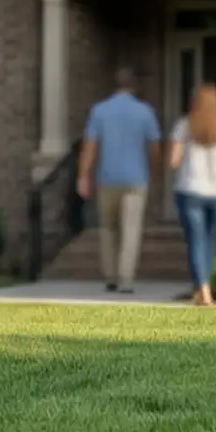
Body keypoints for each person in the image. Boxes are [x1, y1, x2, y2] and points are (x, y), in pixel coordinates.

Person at [76, 67, 162, 292]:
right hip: (136, 179)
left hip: (107, 178)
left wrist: (84, 176)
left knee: (108, 229)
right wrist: (155, 172)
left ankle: (110, 275)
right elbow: (154, 148)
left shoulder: (100, 111)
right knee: (131, 230)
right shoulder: (145, 112)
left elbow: (90, 147)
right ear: (134, 86)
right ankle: (126, 278)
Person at [164, 83, 216, 307]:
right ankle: (204, 287)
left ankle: (203, 289)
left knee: (196, 241)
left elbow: (173, 161)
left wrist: (177, 149)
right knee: (209, 241)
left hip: (190, 190)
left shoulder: (184, 126)